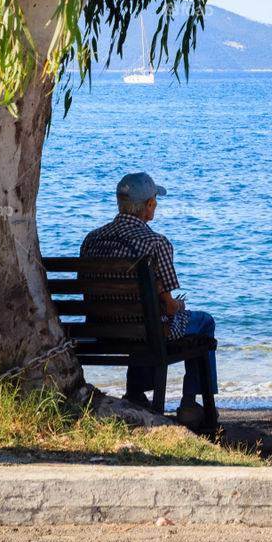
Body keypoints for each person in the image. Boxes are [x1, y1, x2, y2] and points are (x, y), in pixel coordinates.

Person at [80, 170, 217, 427]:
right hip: (146, 332)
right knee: (203, 322)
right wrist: (179, 304)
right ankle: (189, 403)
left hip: (102, 330)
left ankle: (135, 394)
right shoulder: (156, 243)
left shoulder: (91, 240)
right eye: (156, 201)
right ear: (150, 204)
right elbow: (168, 305)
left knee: (141, 318)